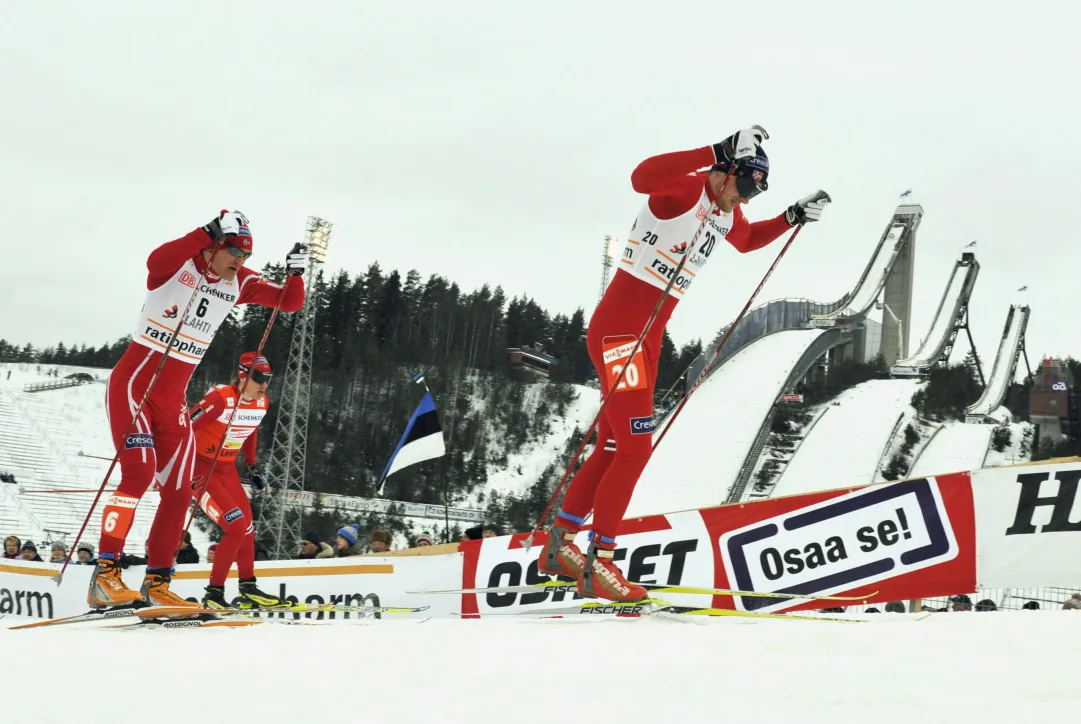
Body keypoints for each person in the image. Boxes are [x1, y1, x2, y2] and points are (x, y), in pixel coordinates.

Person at [538, 128, 831, 601]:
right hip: (621, 334)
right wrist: (715, 149)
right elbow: (640, 176)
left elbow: (751, 238)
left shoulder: (723, 211)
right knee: (635, 449)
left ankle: (561, 546)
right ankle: (601, 561)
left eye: (756, 192)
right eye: (745, 187)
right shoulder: (687, 188)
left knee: (616, 447)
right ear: (727, 171)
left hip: (646, 338)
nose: (745, 199)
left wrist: (791, 217)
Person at [88, 210, 311, 610]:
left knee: (177, 492)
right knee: (138, 474)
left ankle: (157, 581)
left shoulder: (238, 281)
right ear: (213, 247)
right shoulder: (176, 266)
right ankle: (106, 574)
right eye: (234, 254)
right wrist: (203, 233)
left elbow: (289, 303)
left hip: (171, 399)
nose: (240, 263)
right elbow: (154, 262)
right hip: (135, 386)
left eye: (246, 257)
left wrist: (296, 273)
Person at [190, 352, 286, 609]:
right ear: (244, 376)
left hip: (226, 469)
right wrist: (170, 467)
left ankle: (248, 588)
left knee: (247, 528)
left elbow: (251, 430)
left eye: (268, 379)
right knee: (235, 526)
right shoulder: (221, 399)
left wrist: (252, 465)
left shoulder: (262, 403)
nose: (265, 385)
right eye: (260, 378)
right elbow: (185, 427)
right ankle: (214, 594)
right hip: (200, 470)